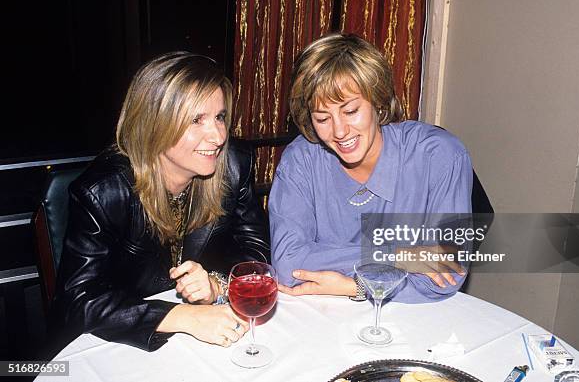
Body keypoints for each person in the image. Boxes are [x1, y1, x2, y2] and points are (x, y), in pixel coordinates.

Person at [50, 52, 270, 352]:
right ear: (155, 123)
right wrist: (182, 316)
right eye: (196, 120)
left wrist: (217, 285)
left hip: (206, 335)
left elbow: (257, 257)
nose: (218, 136)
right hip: (122, 343)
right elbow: (76, 302)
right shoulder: (103, 191)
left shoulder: (234, 165)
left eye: (219, 117)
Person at [268, 33, 472, 303]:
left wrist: (356, 286)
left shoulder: (440, 156)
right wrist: (400, 256)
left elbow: (447, 273)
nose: (339, 131)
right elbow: (287, 266)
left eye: (351, 111)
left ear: (377, 100)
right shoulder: (300, 161)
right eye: (322, 118)